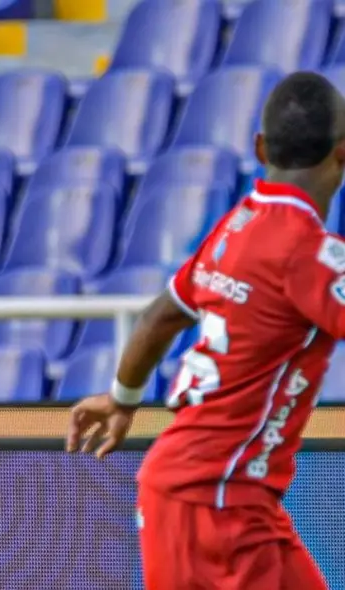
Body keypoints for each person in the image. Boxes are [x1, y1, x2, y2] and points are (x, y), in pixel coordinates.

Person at [65, 71, 340, 590]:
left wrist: (122, 400)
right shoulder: (309, 252)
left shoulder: (236, 226)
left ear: (260, 148)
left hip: (220, 495)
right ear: (342, 155)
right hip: (218, 501)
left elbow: (161, 315)